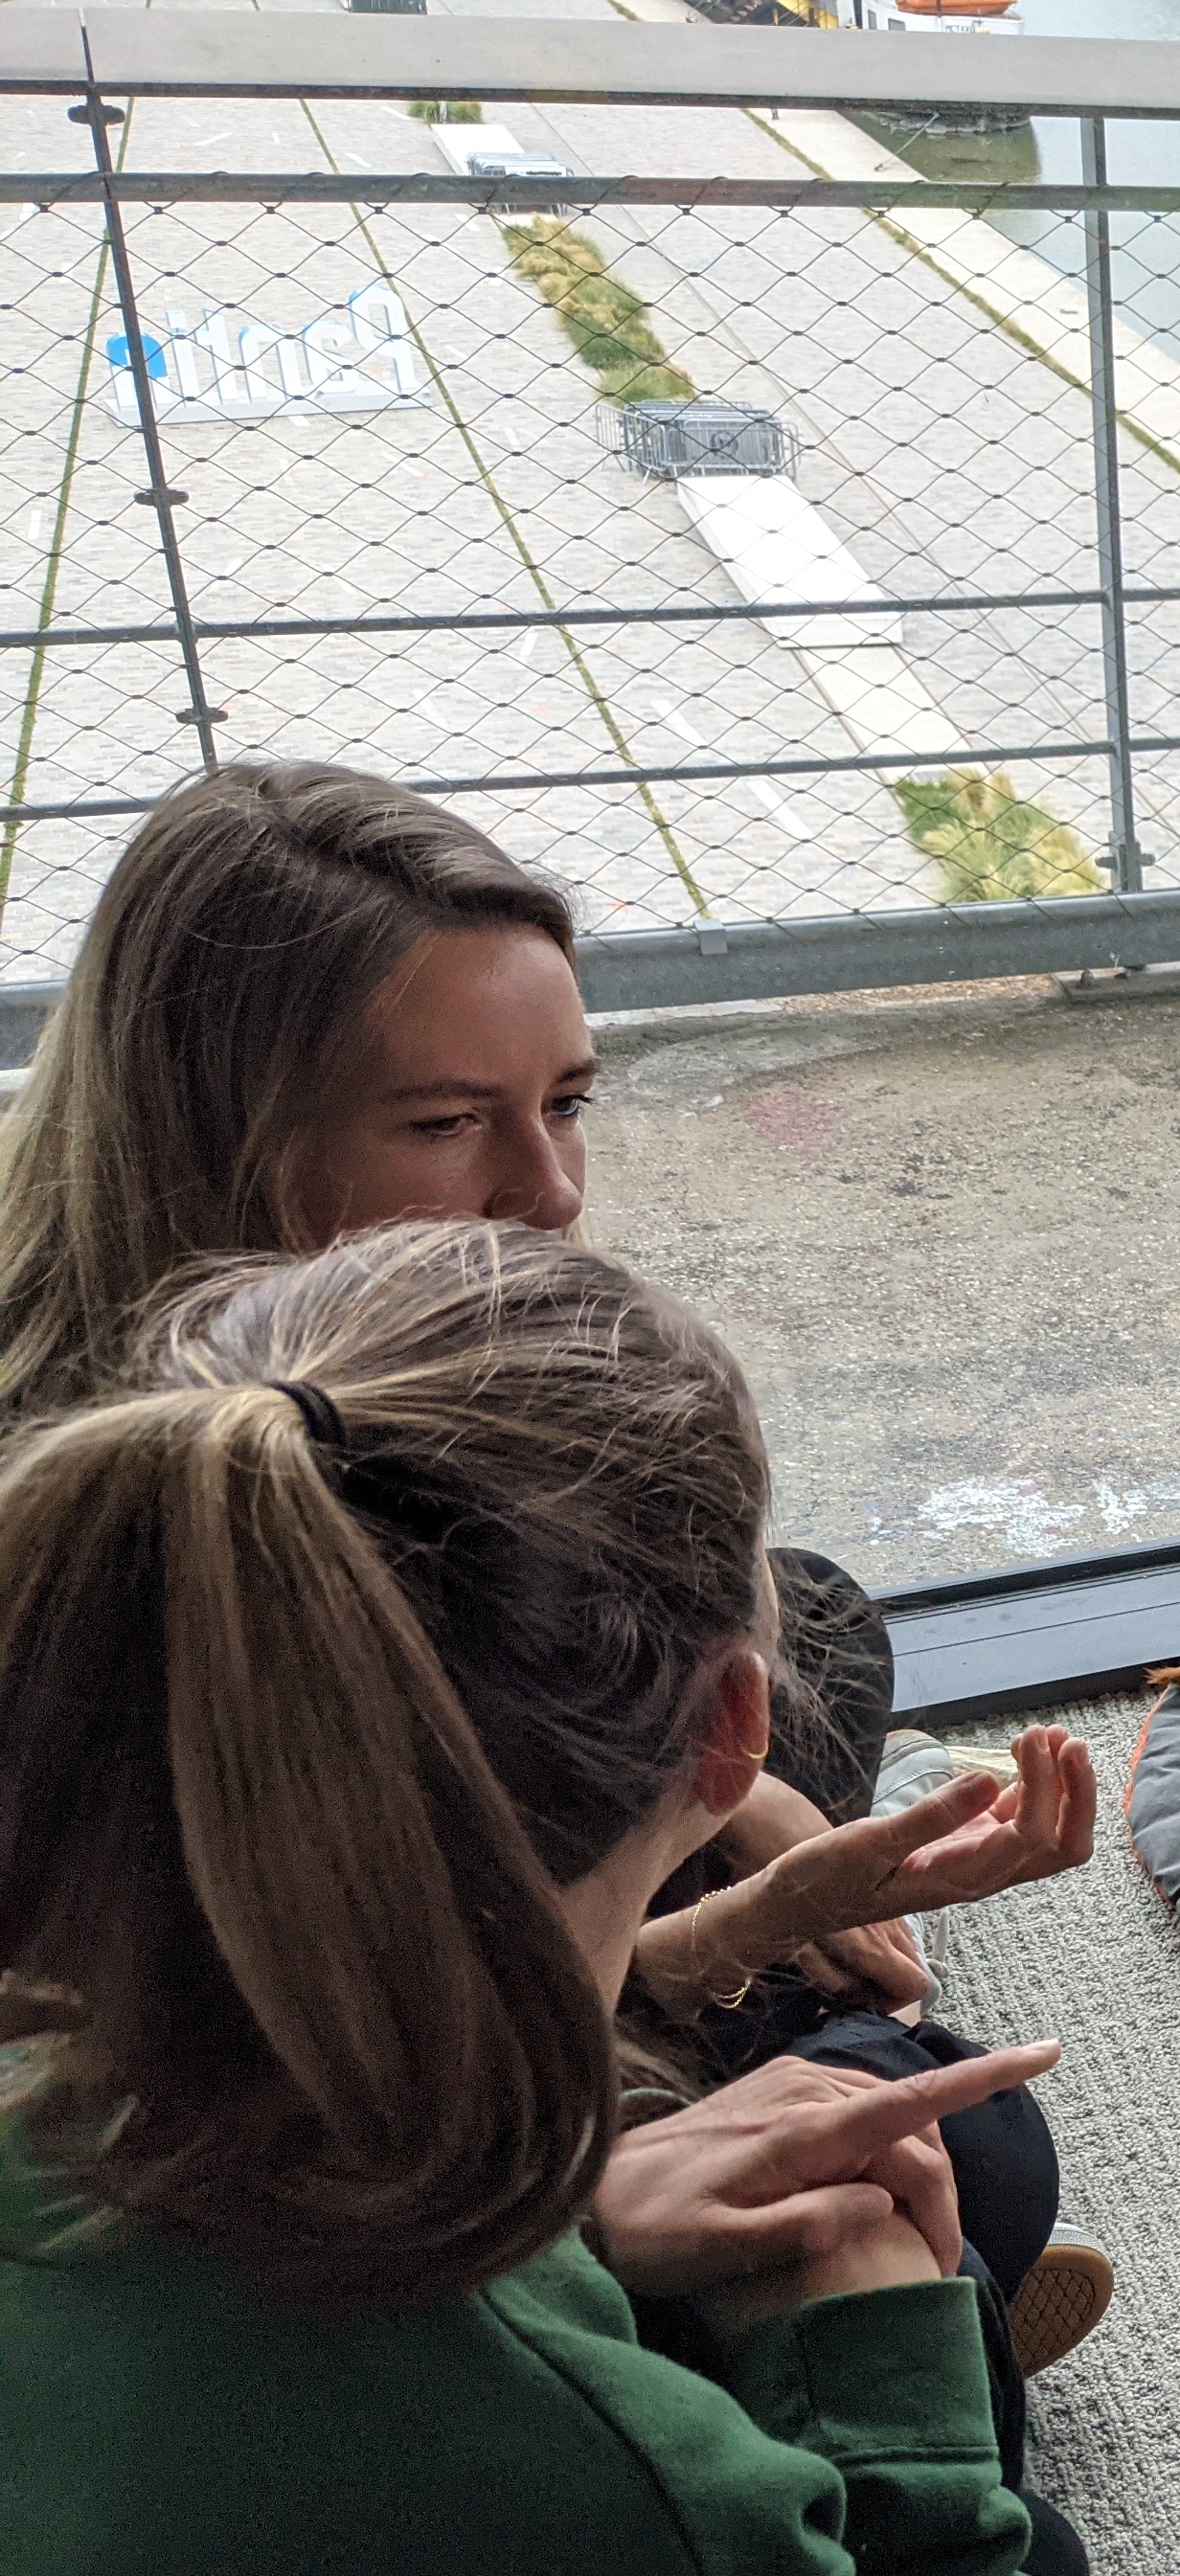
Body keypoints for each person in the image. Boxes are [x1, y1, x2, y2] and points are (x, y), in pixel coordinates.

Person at [0, 1221, 1123, 2576]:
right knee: (936, 2270)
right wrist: (906, 2427)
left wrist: (580, 2210)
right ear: (734, 1730)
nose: (542, 1171)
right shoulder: (610, 2486)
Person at [0, 759, 1110, 2366]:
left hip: (475, 1914)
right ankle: (862, 2268)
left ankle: (843, 2121)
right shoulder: (122, 1536)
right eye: (449, 1122)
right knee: (958, 2144)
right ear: (219, 1130)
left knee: (810, 1623)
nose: (553, 1190)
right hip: (366, 2140)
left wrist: (740, 1810)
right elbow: (254, 2133)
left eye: (567, 1100)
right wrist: (614, 2149)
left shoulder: (386, 1345)